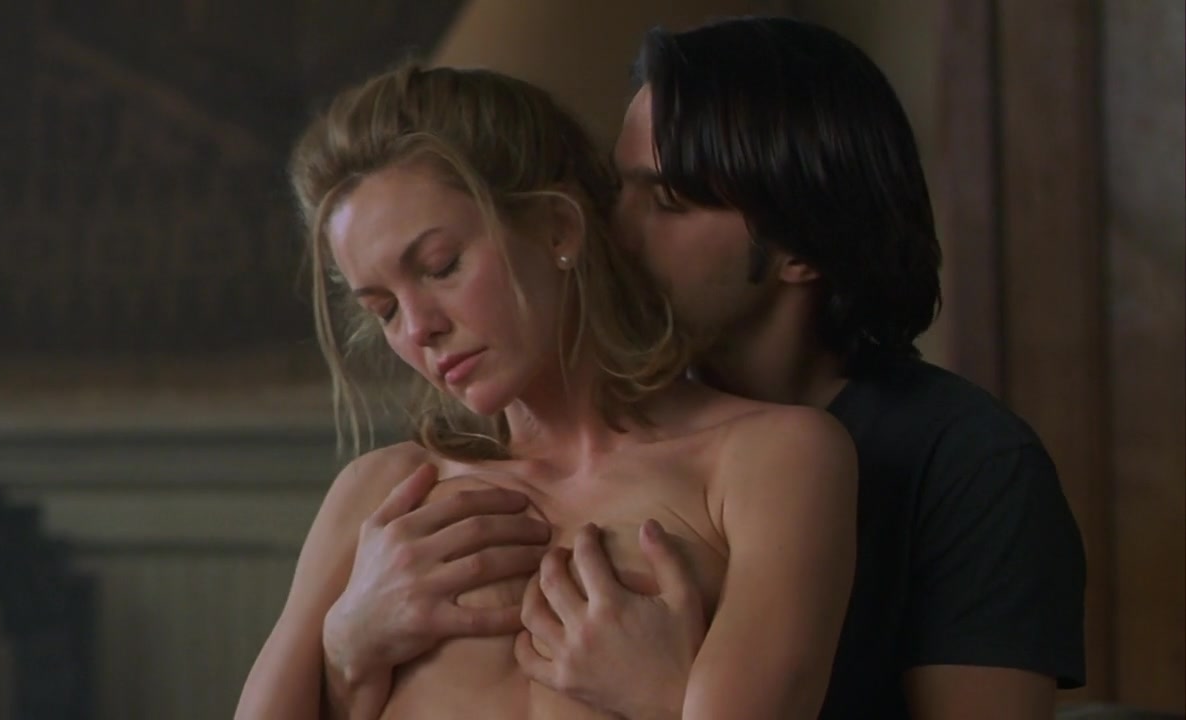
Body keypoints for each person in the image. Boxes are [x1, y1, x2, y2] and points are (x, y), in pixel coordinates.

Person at [314, 15, 1087, 720]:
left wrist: (667, 697)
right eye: (618, 189)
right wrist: (346, 650)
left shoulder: (965, 461)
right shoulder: (512, 445)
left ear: (800, 248)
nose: (611, 228)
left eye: (668, 202)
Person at [234, 61, 858, 720]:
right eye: (383, 308)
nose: (418, 328)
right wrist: (347, 651)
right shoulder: (381, 493)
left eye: (442, 267)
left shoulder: (772, 459)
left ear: (558, 227)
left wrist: (658, 696)